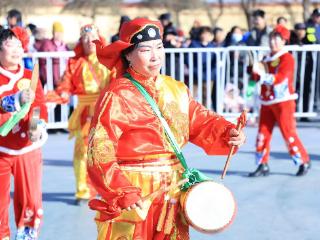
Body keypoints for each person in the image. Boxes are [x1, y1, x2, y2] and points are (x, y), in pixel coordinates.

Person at [88, 18, 246, 239]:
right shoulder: (117, 94)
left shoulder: (175, 88)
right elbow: (99, 149)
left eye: (159, 47)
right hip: (137, 194)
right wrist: (123, 192)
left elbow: (200, 120)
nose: (155, 56)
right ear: (128, 55)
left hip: (173, 189)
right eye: (145, 49)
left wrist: (227, 132)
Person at [46, 24, 111, 204]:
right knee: (81, 152)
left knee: (106, 151)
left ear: (100, 38)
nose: (90, 42)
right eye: (85, 38)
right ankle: (83, 190)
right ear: (81, 41)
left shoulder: (108, 60)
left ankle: (106, 189)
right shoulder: (75, 63)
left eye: (93, 38)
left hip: (106, 111)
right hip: (84, 113)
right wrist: (63, 93)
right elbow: (65, 84)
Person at [0, 29, 48, 240]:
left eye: (20, 46)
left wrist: (36, 126)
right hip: (1, 149)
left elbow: (38, 106)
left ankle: (26, 236)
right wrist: (16, 99)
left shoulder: (30, 76)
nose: (17, 50)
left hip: (27, 149)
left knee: (30, 200)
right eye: (11, 45)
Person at [248, 25, 310, 177]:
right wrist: (253, 70)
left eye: (277, 38)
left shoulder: (286, 58)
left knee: (288, 132)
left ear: (284, 41)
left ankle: (303, 161)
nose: (273, 41)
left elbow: (281, 78)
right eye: (271, 38)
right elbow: (256, 78)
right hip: (267, 102)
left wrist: (262, 75)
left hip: (283, 101)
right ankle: (262, 164)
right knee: (262, 133)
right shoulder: (267, 58)